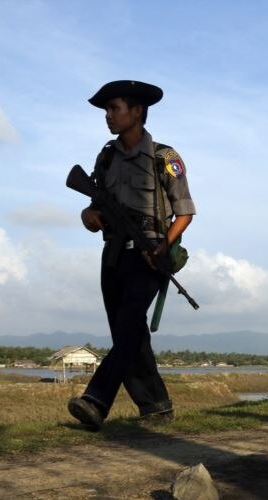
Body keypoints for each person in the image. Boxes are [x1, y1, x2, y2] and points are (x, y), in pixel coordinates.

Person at [67, 80, 195, 431]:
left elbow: (185, 212)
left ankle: (96, 401)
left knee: (127, 329)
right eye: (107, 110)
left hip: (149, 255)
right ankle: (156, 405)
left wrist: (161, 245)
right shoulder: (106, 156)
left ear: (137, 111)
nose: (108, 116)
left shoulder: (165, 158)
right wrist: (88, 217)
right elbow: (93, 210)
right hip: (113, 255)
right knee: (129, 332)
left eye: (115, 108)